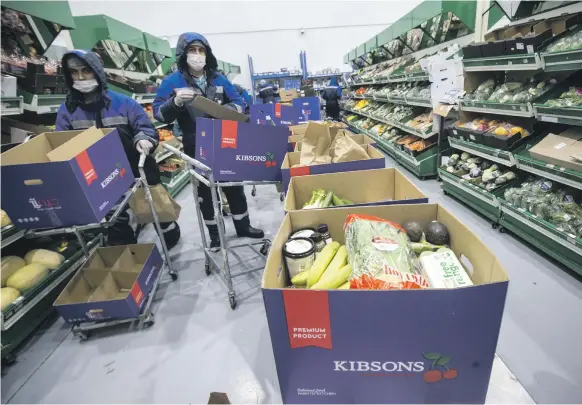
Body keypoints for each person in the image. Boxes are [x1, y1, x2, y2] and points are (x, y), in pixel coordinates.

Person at [55, 49, 181, 249]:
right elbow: (60, 142)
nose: (80, 77)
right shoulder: (67, 111)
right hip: (98, 176)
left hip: (133, 166)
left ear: (97, 71)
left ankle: (168, 231)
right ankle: (129, 254)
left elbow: (144, 126)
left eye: (86, 71)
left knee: (154, 207)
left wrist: (144, 139)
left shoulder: (123, 103)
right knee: (116, 219)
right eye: (74, 72)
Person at [153, 32, 264, 249]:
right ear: (183, 54)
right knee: (205, 192)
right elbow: (159, 114)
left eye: (201, 50)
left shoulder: (218, 78)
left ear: (207, 53)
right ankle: (216, 235)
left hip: (225, 141)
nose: (197, 55)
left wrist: (228, 110)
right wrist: (175, 102)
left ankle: (243, 226)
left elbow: (239, 101)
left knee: (234, 186)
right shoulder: (172, 82)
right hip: (196, 146)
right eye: (192, 50)